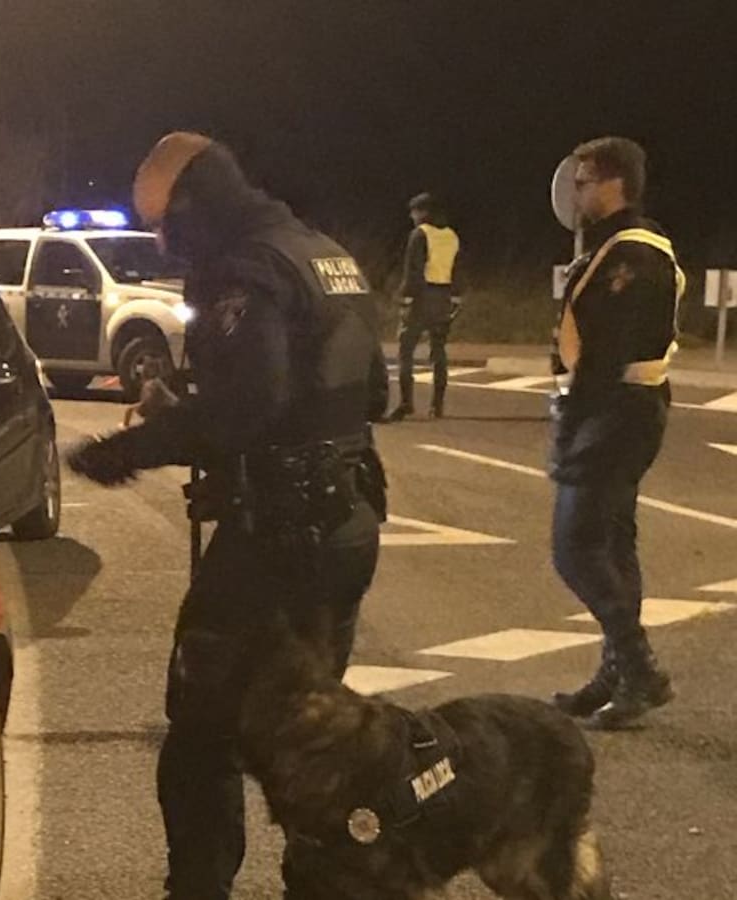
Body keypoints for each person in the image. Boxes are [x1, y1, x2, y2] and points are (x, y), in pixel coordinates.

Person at [67, 132, 387, 900]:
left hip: (276, 536)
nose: (161, 243)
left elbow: (247, 408)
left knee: (202, 736)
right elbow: (370, 391)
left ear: (193, 204)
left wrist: (128, 450)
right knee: (312, 730)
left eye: (162, 226)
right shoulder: (323, 254)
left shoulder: (243, 270)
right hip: (346, 523)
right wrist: (197, 410)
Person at [549, 136, 683, 730]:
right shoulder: (618, 247)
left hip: (616, 411)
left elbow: (605, 353)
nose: (574, 194)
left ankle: (639, 668)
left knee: (575, 548)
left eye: (582, 182)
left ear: (611, 183)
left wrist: (571, 427)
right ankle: (617, 674)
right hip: (623, 409)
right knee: (611, 543)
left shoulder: (633, 253)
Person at [385, 192, 463, 421]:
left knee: (405, 349)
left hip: (422, 297)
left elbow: (414, 270)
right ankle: (437, 405)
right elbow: (457, 269)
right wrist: (456, 296)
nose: (412, 217)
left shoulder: (419, 234)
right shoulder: (451, 236)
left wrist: (406, 297)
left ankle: (406, 403)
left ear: (422, 212)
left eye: (414, 212)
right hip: (443, 297)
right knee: (438, 351)